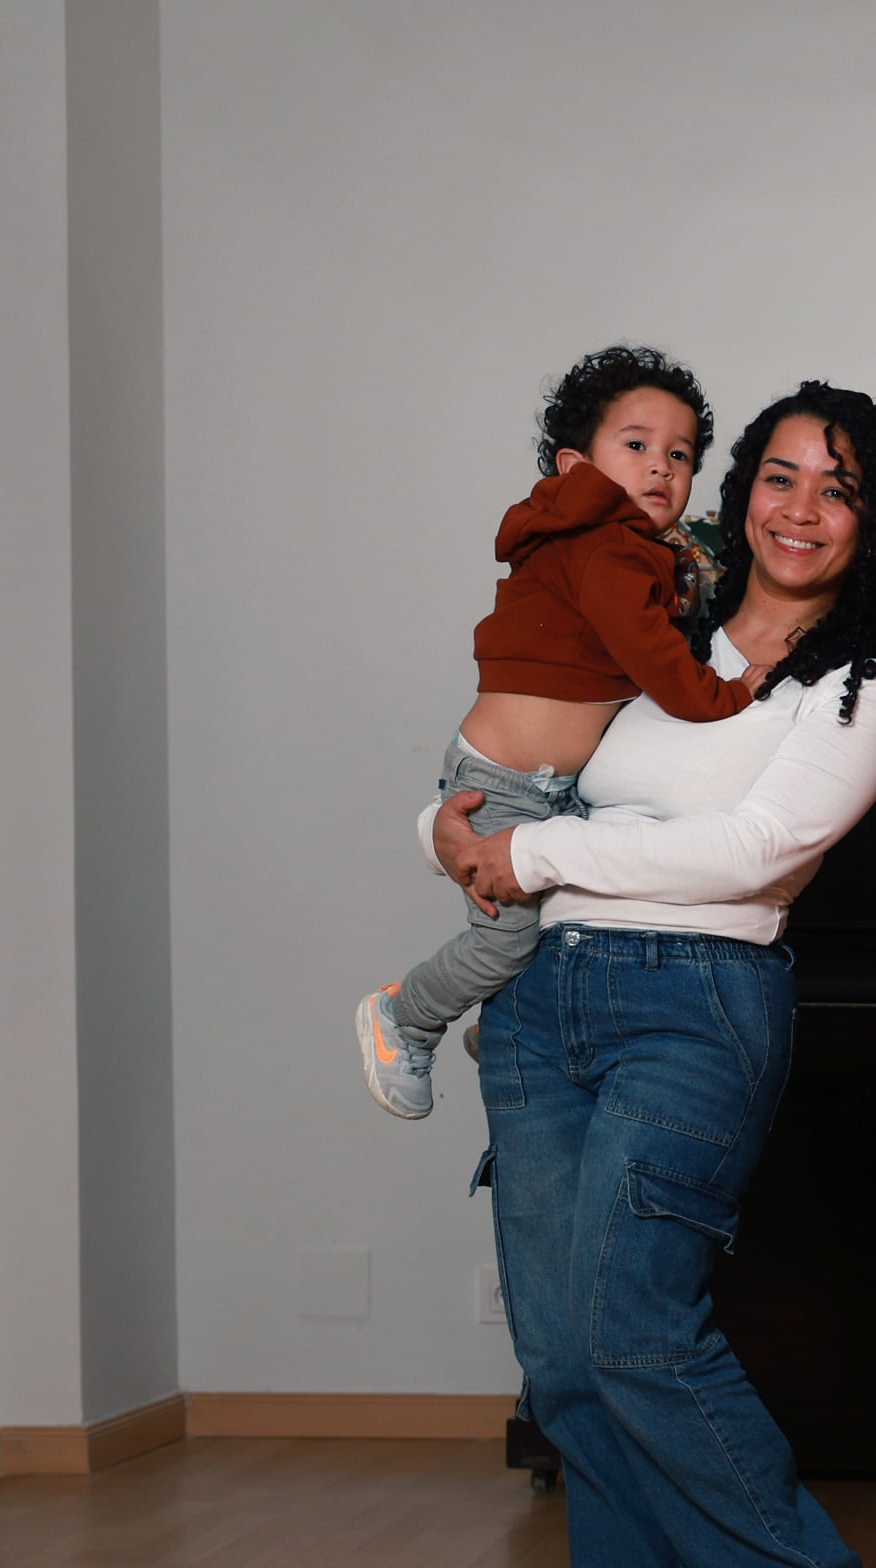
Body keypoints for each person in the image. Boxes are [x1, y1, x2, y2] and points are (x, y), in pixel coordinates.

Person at [436, 384, 876, 1568]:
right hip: (545, 992)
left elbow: (751, 851)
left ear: (870, 519)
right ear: (740, 491)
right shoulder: (653, 612)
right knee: (556, 1348)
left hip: (698, 997)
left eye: (837, 488)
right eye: (779, 476)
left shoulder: (862, 681)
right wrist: (452, 823)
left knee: (632, 1321)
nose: (801, 509)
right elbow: (524, 737)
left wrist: (531, 853)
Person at [360, 347, 764, 1122]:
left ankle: (511, 1026)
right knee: (504, 944)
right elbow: (659, 665)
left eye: (679, 455)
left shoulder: (624, 547)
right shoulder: (604, 546)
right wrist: (732, 692)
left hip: (550, 787)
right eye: (637, 446)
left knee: (562, 926)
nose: (661, 468)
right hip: (507, 781)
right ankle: (405, 1016)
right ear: (577, 465)